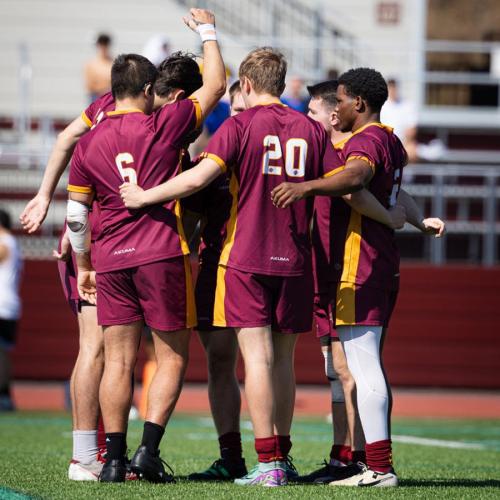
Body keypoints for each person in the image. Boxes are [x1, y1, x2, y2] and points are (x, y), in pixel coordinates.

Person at [119, 48, 368, 487]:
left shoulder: (239, 125)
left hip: (245, 258)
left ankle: (268, 462)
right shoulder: (312, 129)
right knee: (283, 363)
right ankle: (281, 458)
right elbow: (342, 181)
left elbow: (197, 180)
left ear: (248, 85)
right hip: (295, 259)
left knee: (256, 359)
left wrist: (144, 196)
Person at [66, 9, 225, 484]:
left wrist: (83, 266)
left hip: (111, 258)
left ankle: (111, 460)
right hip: (161, 251)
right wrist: (208, 32)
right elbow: (215, 85)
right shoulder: (165, 125)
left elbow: (76, 217)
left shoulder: (88, 144)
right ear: (146, 91)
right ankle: (146, 453)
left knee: (117, 360)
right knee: (172, 355)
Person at [271, 67, 445, 487]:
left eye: (343, 99)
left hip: (358, 266)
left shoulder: (364, 142)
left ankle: (379, 468)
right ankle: (365, 461)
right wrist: (420, 222)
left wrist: (308, 186)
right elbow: (393, 191)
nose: (337, 106)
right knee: (364, 367)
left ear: (358, 104)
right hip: (373, 265)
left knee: (364, 368)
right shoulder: (389, 138)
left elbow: (357, 180)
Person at [183, 80, 247, 482]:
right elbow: (189, 225)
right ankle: (232, 456)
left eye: (245, 110)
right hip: (218, 267)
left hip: (268, 266)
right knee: (221, 361)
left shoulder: (279, 154)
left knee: (270, 362)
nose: (241, 119)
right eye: (235, 112)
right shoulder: (213, 159)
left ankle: (277, 457)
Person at [0, 209, 22, 412]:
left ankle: (4, 395)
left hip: (3, 306)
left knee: (2, 353)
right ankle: (5, 394)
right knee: (3, 352)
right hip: (8, 306)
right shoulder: (13, 242)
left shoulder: (5, 242)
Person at [84, 33, 113, 103]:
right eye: (101, 44)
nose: (103, 47)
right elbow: (89, 86)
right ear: (98, 45)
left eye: (105, 44)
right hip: (96, 97)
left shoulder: (113, 62)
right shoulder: (91, 64)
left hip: (111, 97)